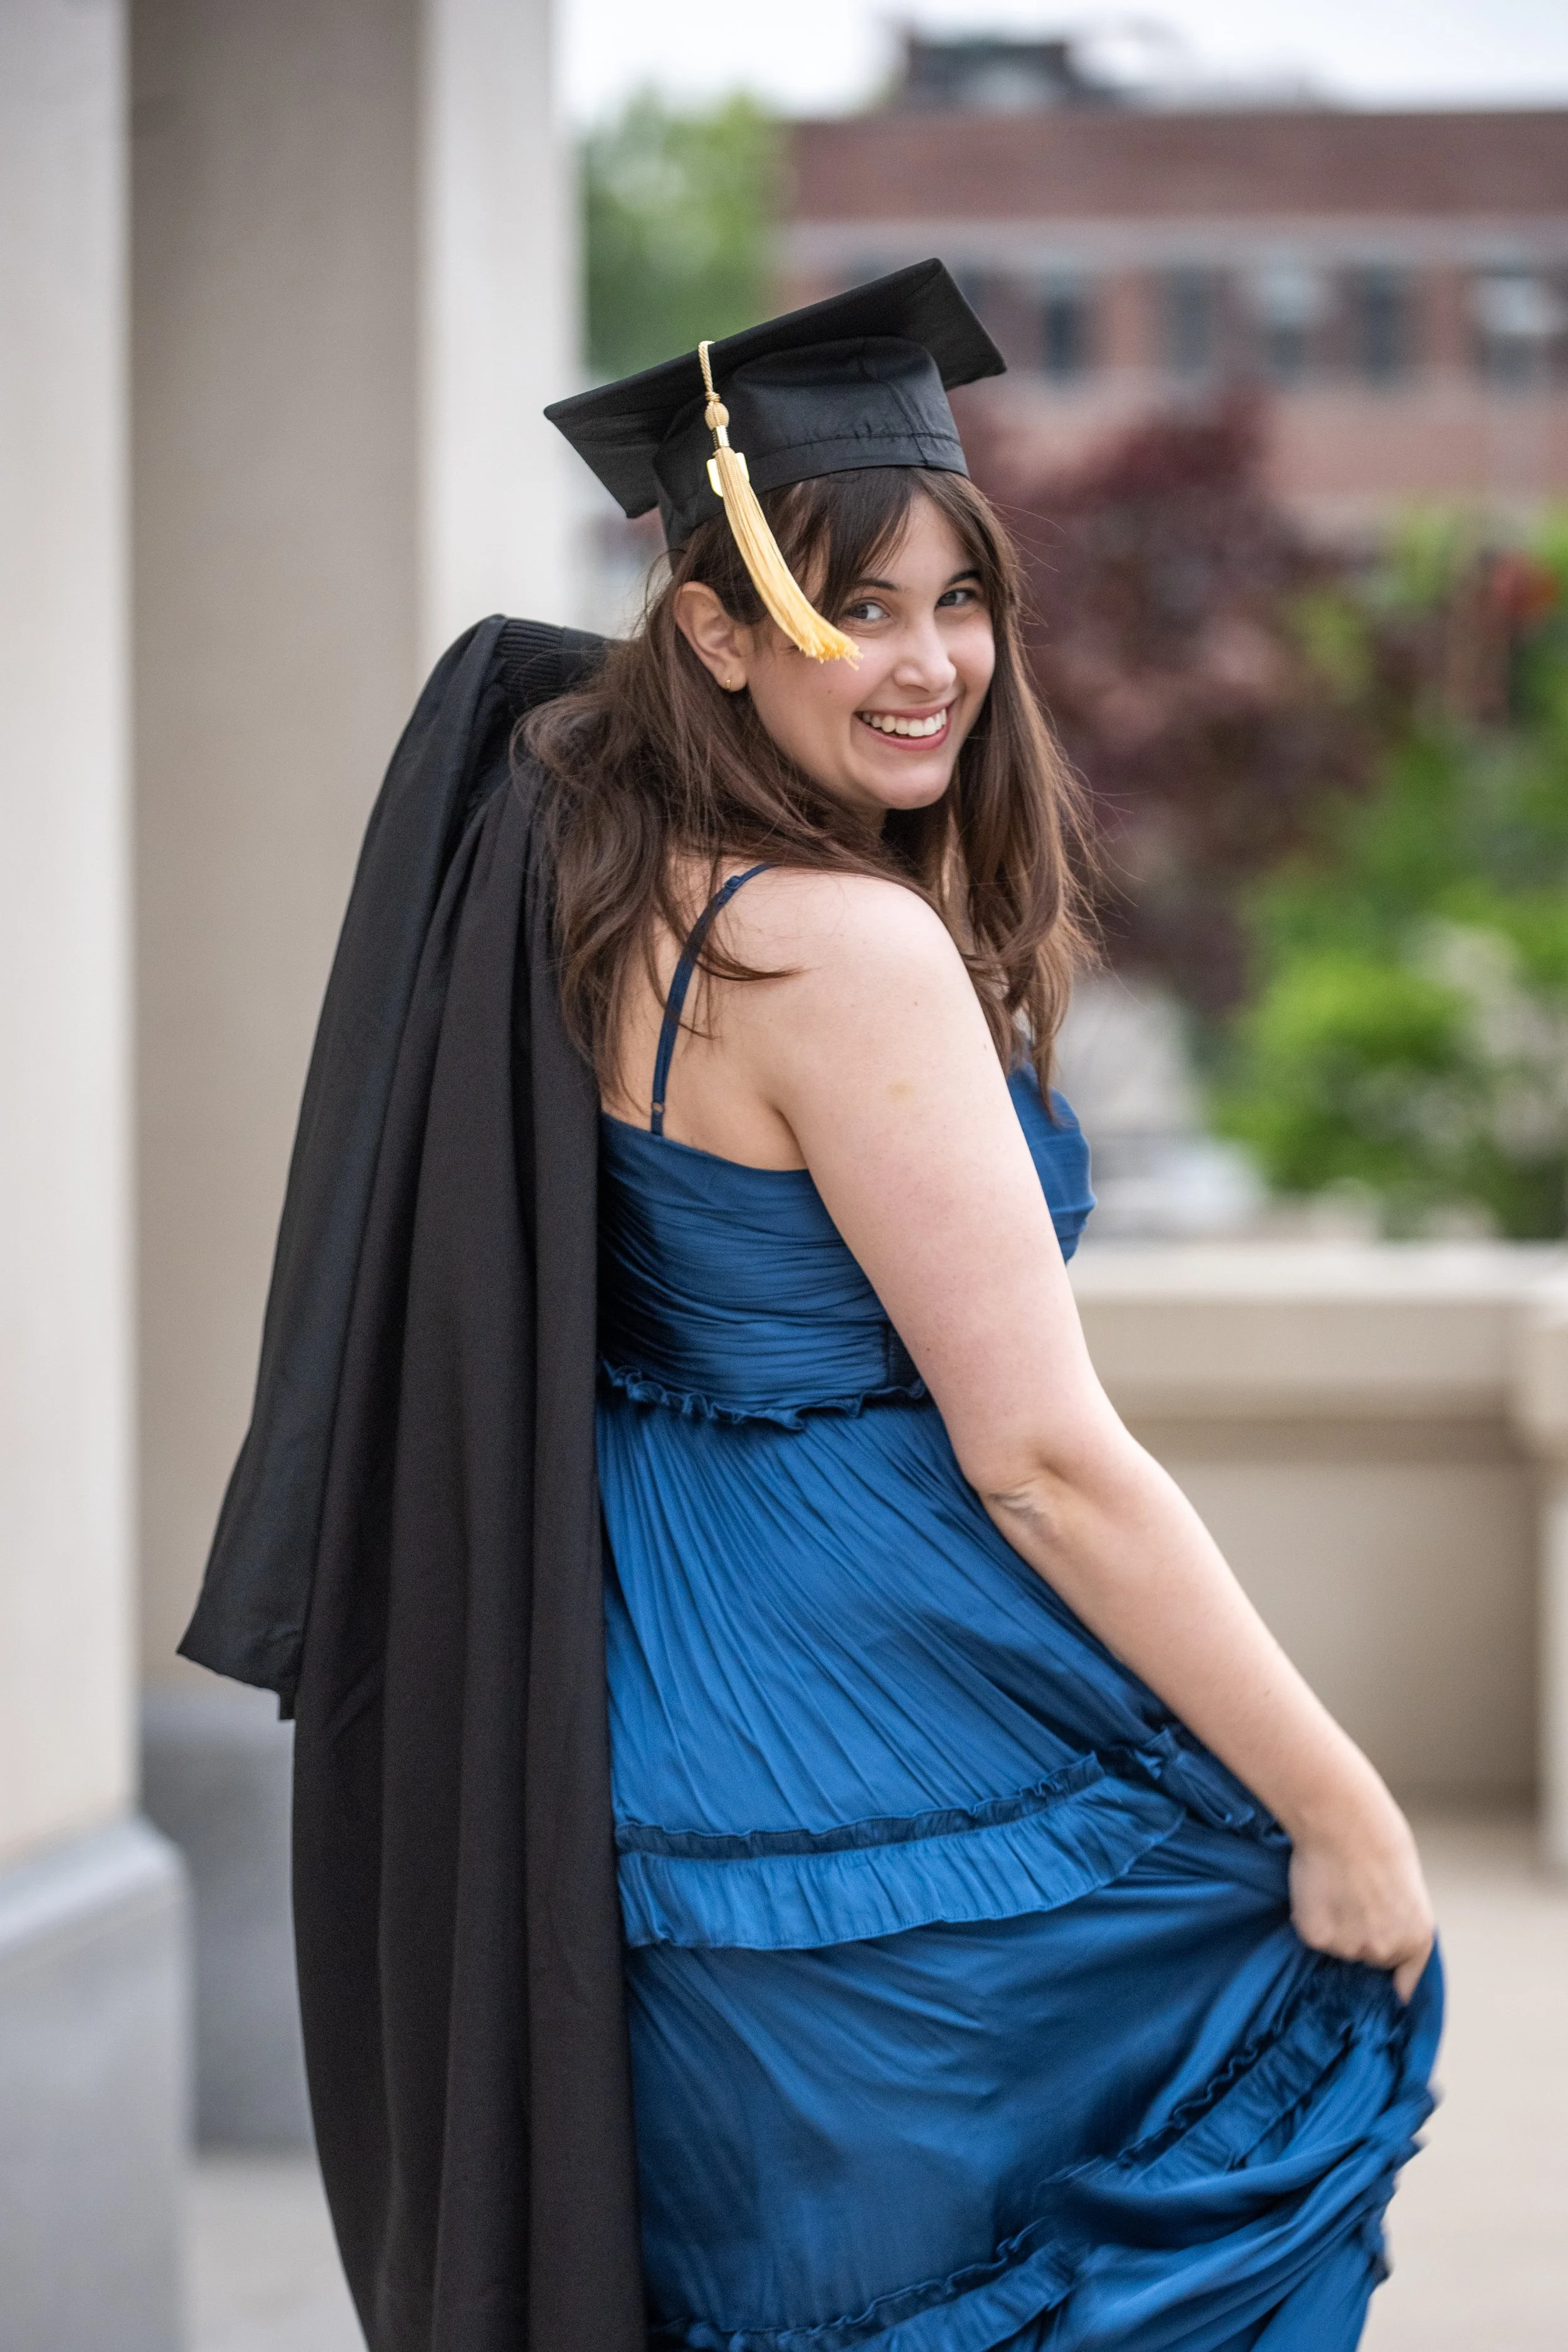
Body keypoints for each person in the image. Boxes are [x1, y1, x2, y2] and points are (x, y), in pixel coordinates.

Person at [181, 263, 1439, 2352]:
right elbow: (1041, 1459)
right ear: (712, 622)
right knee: (1254, 2054)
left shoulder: (592, 887)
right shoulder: (838, 950)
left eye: (960, 602)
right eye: (857, 605)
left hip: (664, 1736)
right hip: (874, 1751)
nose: (929, 661)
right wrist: (1339, 1799)